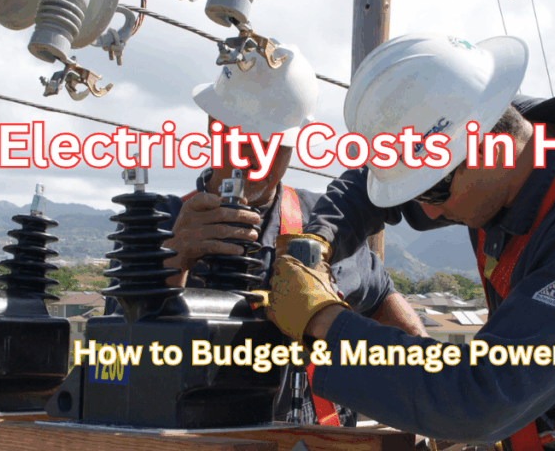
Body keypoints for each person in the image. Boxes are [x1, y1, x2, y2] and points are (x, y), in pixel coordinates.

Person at [265, 34, 555, 450]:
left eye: (433, 191)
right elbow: (369, 184)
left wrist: (326, 320)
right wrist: (316, 241)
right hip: (553, 424)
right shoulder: (501, 125)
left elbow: (478, 396)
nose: (426, 212)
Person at [102, 42, 427, 426]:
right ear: (213, 126)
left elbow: (383, 303)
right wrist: (172, 261)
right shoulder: (156, 224)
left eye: (269, 141)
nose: (250, 156)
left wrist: (426, 394)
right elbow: (115, 361)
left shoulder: (323, 223)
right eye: (238, 135)